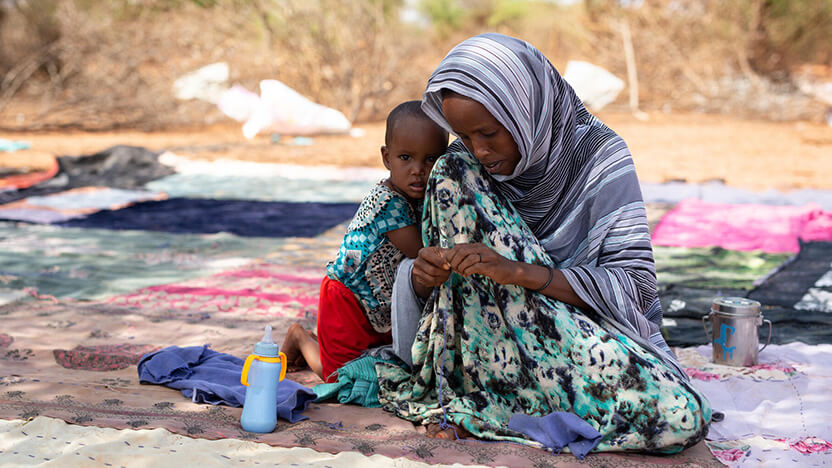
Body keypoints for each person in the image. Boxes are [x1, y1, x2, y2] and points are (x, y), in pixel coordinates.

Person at [377, 34, 711, 454]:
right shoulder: (460, 173)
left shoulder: (599, 158)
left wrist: (518, 271)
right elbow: (456, 305)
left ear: (524, 110)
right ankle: (498, 399)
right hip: (491, 359)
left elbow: (634, 287)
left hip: (579, 339)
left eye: (490, 133)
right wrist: (426, 278)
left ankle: (510, 407)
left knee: (680, 415)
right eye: (464, 134)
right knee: (451, 171)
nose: (480, 150)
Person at [281, 101, 448, 383]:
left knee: (378, 364)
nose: (418, 170)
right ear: (386, 157)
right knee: (340, 376)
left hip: (378, 302)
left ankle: (318, 344)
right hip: (346, 299)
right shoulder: (386, 204)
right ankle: (299, 337)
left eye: (430, 159)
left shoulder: (416, 197)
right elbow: (422, 250)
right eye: (405, 158)